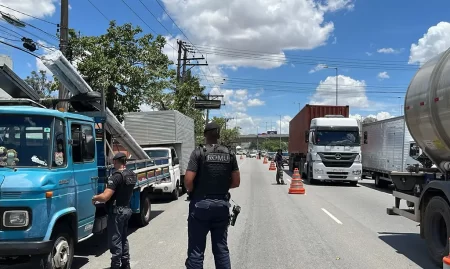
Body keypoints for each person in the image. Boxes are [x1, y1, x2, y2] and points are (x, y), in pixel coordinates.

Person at [184, 122, 241, 269]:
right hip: (222, 206)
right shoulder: (230, 154)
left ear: (205, 135)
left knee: (196, 251)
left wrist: (195, 191)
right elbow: (236, 182)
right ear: (219, 135)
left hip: (200, 206)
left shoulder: (198, 153)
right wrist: (220, 186)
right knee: (221, 249)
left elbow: (188, 181)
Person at [92, 152, 137, 269]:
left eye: (113, 161)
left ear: (116, 162)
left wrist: (95, 197)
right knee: (123, 238)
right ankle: (126, 264)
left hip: (117, 213)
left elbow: (106, 196)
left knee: (115, 240)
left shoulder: (116, 176)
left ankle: (115, 266)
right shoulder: (132, 174)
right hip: (126, 210)